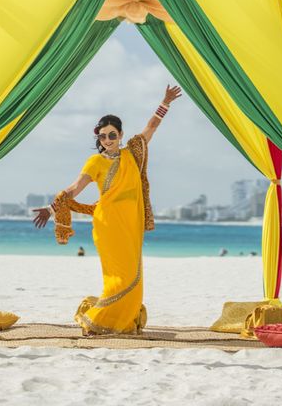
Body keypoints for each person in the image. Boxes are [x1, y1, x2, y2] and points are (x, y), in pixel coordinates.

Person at [32, 84, 182, 336]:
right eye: (102, 136)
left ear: (121, 135)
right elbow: (74, 188)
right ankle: (101, 320)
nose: (108, 140)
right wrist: (51, 207)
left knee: (134, 276)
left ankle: (121, 321)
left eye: (112, 135)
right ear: (98, 139)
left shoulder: (132, 153)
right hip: (108, 225)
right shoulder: (95, 161)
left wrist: (165, 102)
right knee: (119, 277)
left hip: (131, 225)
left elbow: (152, 127)